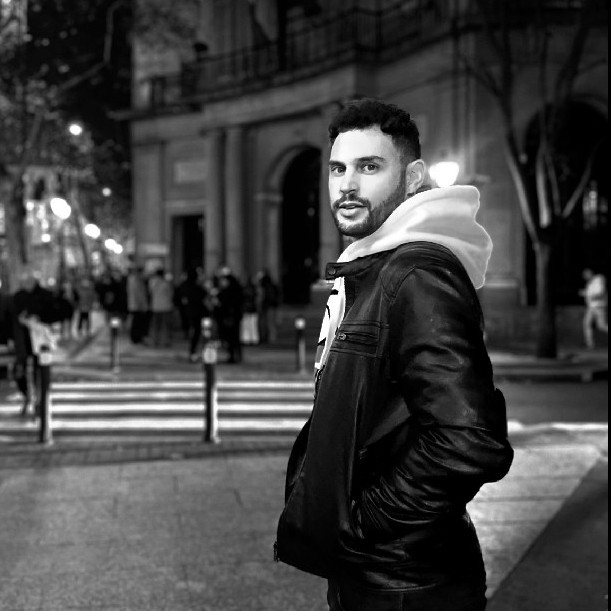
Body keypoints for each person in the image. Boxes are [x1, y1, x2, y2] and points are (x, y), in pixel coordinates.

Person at [275, 99, 514, 611]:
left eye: (369, 167)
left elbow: (469, 441)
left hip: (404, 583)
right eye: (337, 168)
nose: (347, 185)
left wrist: (365, 523)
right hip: (381, 574)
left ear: (412, 178)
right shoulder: (378, 265)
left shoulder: (416, 275)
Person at [7, 270, 62, 418]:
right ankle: (28, 397)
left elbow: (55, 314)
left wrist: (38, 318)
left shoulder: (45, 296)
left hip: (40, 342)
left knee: (40, 372)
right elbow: (11, 319)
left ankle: (40, 402)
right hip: (22, 342)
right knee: (20, 372)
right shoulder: (17, 297)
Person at [214, 266, 244, 364]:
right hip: (231, 316)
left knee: (232, 337)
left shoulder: (230, 291)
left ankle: (234, 355)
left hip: (230, 317)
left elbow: (227, 303)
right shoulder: (230, 290)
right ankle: (234, 355)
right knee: (232, 338)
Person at [580, 268, 608, 349]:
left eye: (586, 274)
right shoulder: (589, 283)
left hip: (599, 306)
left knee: (601, 326)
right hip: (591, 307)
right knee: (586, 324)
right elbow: (590, 293)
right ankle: (590, 344)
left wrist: (587, 294)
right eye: (584, 275)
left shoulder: (599, 279)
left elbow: (600, 292)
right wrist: (585, 293)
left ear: (590, 273)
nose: (585, 277)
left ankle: (590, 344)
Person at [149, 269, 174, 347]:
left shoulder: (152, 283)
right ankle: (165, 341)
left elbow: (150, 293)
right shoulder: (166, 283)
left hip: (155, 306)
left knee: (156, 325)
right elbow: (171, 294)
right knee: (165, 325)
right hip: (166, 306)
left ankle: (154, 341)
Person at [126, 266, 150, 344]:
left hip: (135, 305)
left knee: (136, 322)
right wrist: (142, 305)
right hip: (137, 305)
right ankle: (136, 338)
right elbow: (139, 294)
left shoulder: (132, 279)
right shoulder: (136, 280)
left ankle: (136, 337)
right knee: (137, 322)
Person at [255, 269, 279, 344]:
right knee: (268, 322)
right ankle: (269, 337)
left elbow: (269, 297)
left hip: (268, 306)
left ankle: (271, 338)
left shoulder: (266, 286)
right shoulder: (270, 285)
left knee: (269, 323)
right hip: (269, 306)